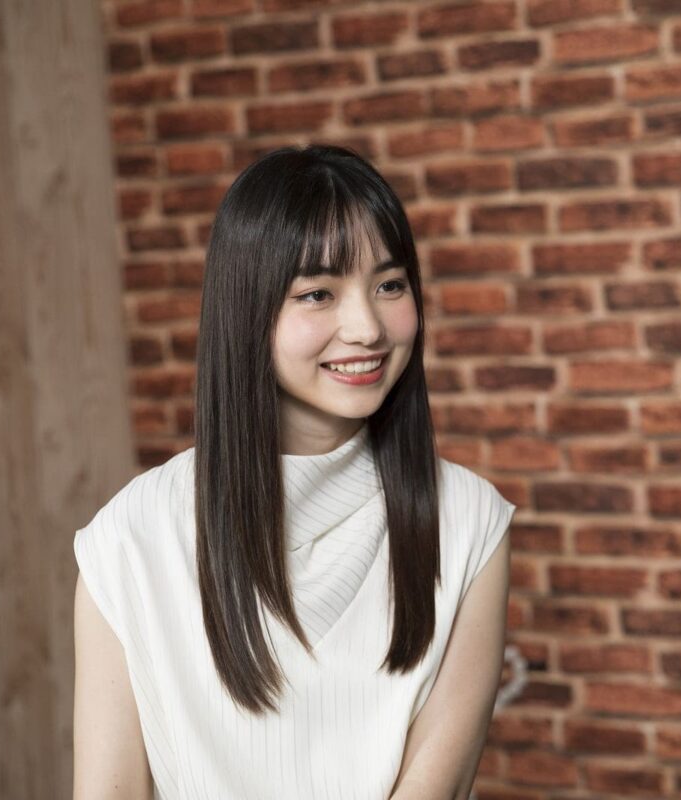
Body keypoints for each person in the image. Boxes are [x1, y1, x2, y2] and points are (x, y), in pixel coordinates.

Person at [72, 144, 516, 799]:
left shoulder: (468, 520)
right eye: (318, 293)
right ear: (249, 311)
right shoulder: (131, 539)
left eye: (389, 285)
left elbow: (435, 787)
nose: (366, 326)